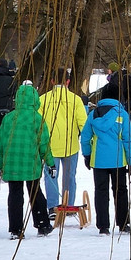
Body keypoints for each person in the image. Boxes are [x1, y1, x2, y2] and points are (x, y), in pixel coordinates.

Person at [0, 82, 53, 238]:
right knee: (35, 192)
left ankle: (16, 229)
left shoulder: (8, 118)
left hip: (12, 164)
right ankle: (42, 224)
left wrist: (1, 164)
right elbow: (44, 144)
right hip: (31, 164)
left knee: (15, 195)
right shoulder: (37, 119)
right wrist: (50, 162)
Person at [80, 97, 131, 235]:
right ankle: (124, 224)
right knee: (121, 191)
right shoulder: (122, 114)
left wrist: (87, 156)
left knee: (101, 192)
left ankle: (103, 226)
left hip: (99, 160)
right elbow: (127, 140)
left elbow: (85, 138)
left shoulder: (93, 114)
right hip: (118, 160)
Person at [40, 70, 88, 210]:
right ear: (68, 82)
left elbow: (38, 124)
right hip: (70, 146)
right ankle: (69, 205)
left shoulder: (43, 99)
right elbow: (83, 124)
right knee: (69, 177)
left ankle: (53, 207)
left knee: (51, 177)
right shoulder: (75, 99)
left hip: (50, 146)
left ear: (52, 81)